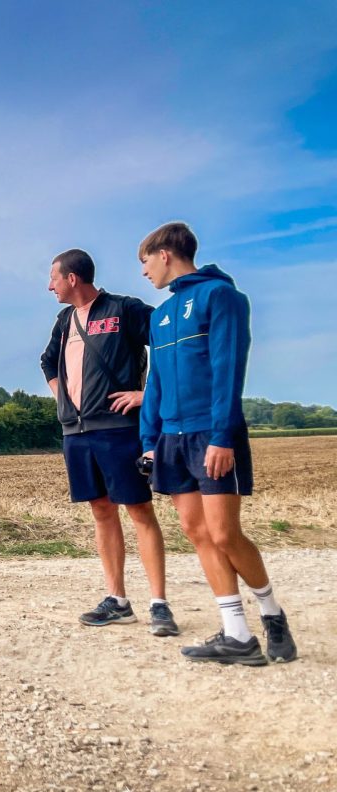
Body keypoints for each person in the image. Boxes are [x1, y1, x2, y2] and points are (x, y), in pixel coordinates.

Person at [138, 222, 297, 665]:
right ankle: (237, 634)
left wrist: (223, 435)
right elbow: (155, 384)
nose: (144, 271)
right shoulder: (159, 316)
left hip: (211, 433)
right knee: (195, 531)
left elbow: (229, 369)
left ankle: (271, 614)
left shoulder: (221, 297)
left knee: (225, 533)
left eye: (145, 261)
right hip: (171, 437)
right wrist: (150, 439)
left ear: (165, 253)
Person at [39, 249, 178, 637]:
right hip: (76, 433)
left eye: (53, 277)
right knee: (101, 511)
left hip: (118, 429)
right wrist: (62, 398)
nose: (49, 285)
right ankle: (117, 601)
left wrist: (146, 394)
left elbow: (170, 344)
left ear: (72, 278)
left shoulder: (124, 309)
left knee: (138, 511)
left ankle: (159, 604)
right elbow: (48, 362)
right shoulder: (64, 320)